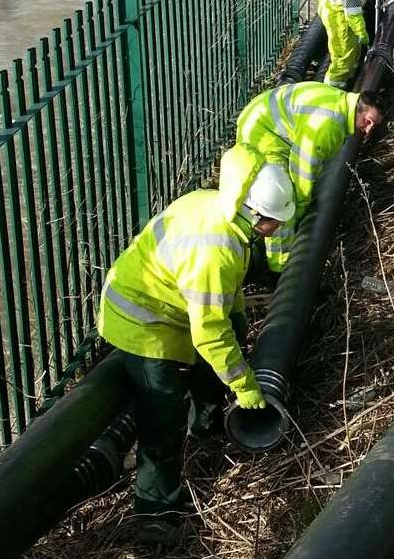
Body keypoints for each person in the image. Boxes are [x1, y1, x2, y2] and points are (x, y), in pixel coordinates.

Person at [96, 144, 296, 542]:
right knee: (162, 413)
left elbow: (224, 296)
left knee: (231, 334)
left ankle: (206, 427)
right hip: (142, 321)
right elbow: (208, 331)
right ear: (254, 213)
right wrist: (245, 386)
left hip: (171, 306)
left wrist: (236, 319)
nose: (277, 227)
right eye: (275, 221)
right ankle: (155, 513)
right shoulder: (216, 248)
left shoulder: (222, 209)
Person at [235, 81, 383, 272]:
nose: (369, 129)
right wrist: (299, 209)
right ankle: (279, 265)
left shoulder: (340, 105)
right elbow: (302, 169)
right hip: (262, 132)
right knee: (282, 199)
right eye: (368, 120)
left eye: (374, 125)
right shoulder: (328, 124)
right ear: (358, 108)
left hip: (261, 117)